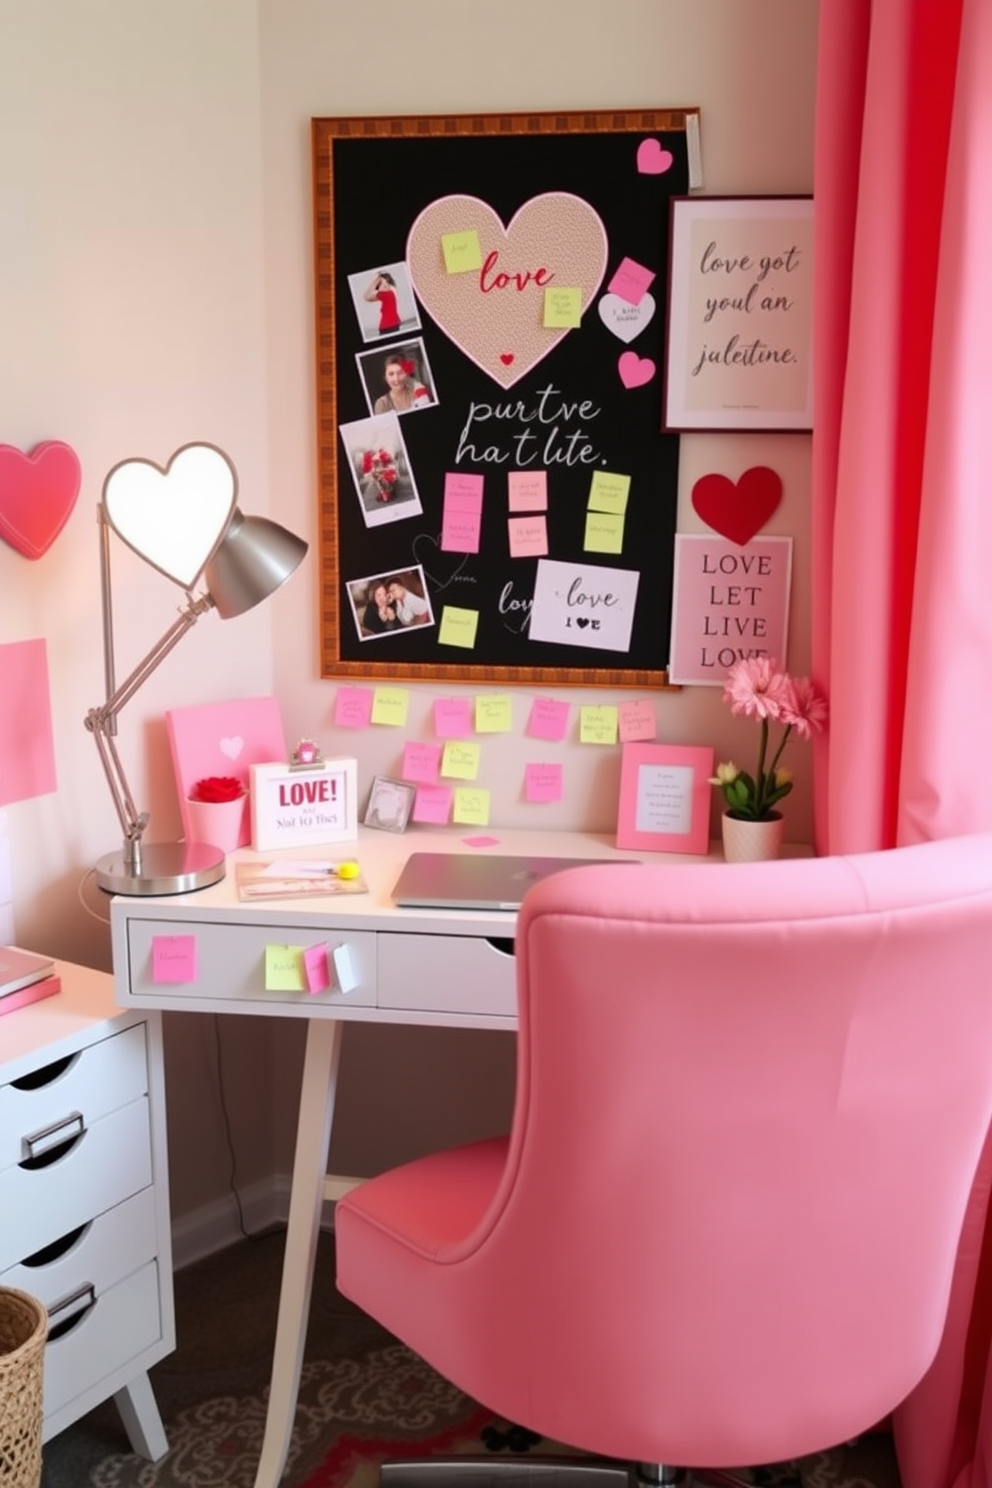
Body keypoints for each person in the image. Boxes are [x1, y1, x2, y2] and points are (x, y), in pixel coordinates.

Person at [364, 271, 401, 335]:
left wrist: (375, 281)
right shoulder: (390, 293)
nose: (385, 286)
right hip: (395, 324)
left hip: (386, 327)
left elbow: (366, 297)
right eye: (382, 284)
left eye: (386, 283)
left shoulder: (385, 294)